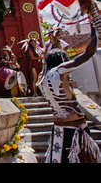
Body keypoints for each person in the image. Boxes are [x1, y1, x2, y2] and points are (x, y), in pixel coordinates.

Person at [38, 21, 101, 163]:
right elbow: (89, 53)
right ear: (62, 59)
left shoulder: (42, 80)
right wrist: (94, 31)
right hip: (74, 128)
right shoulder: (60, 71)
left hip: (58, 128)